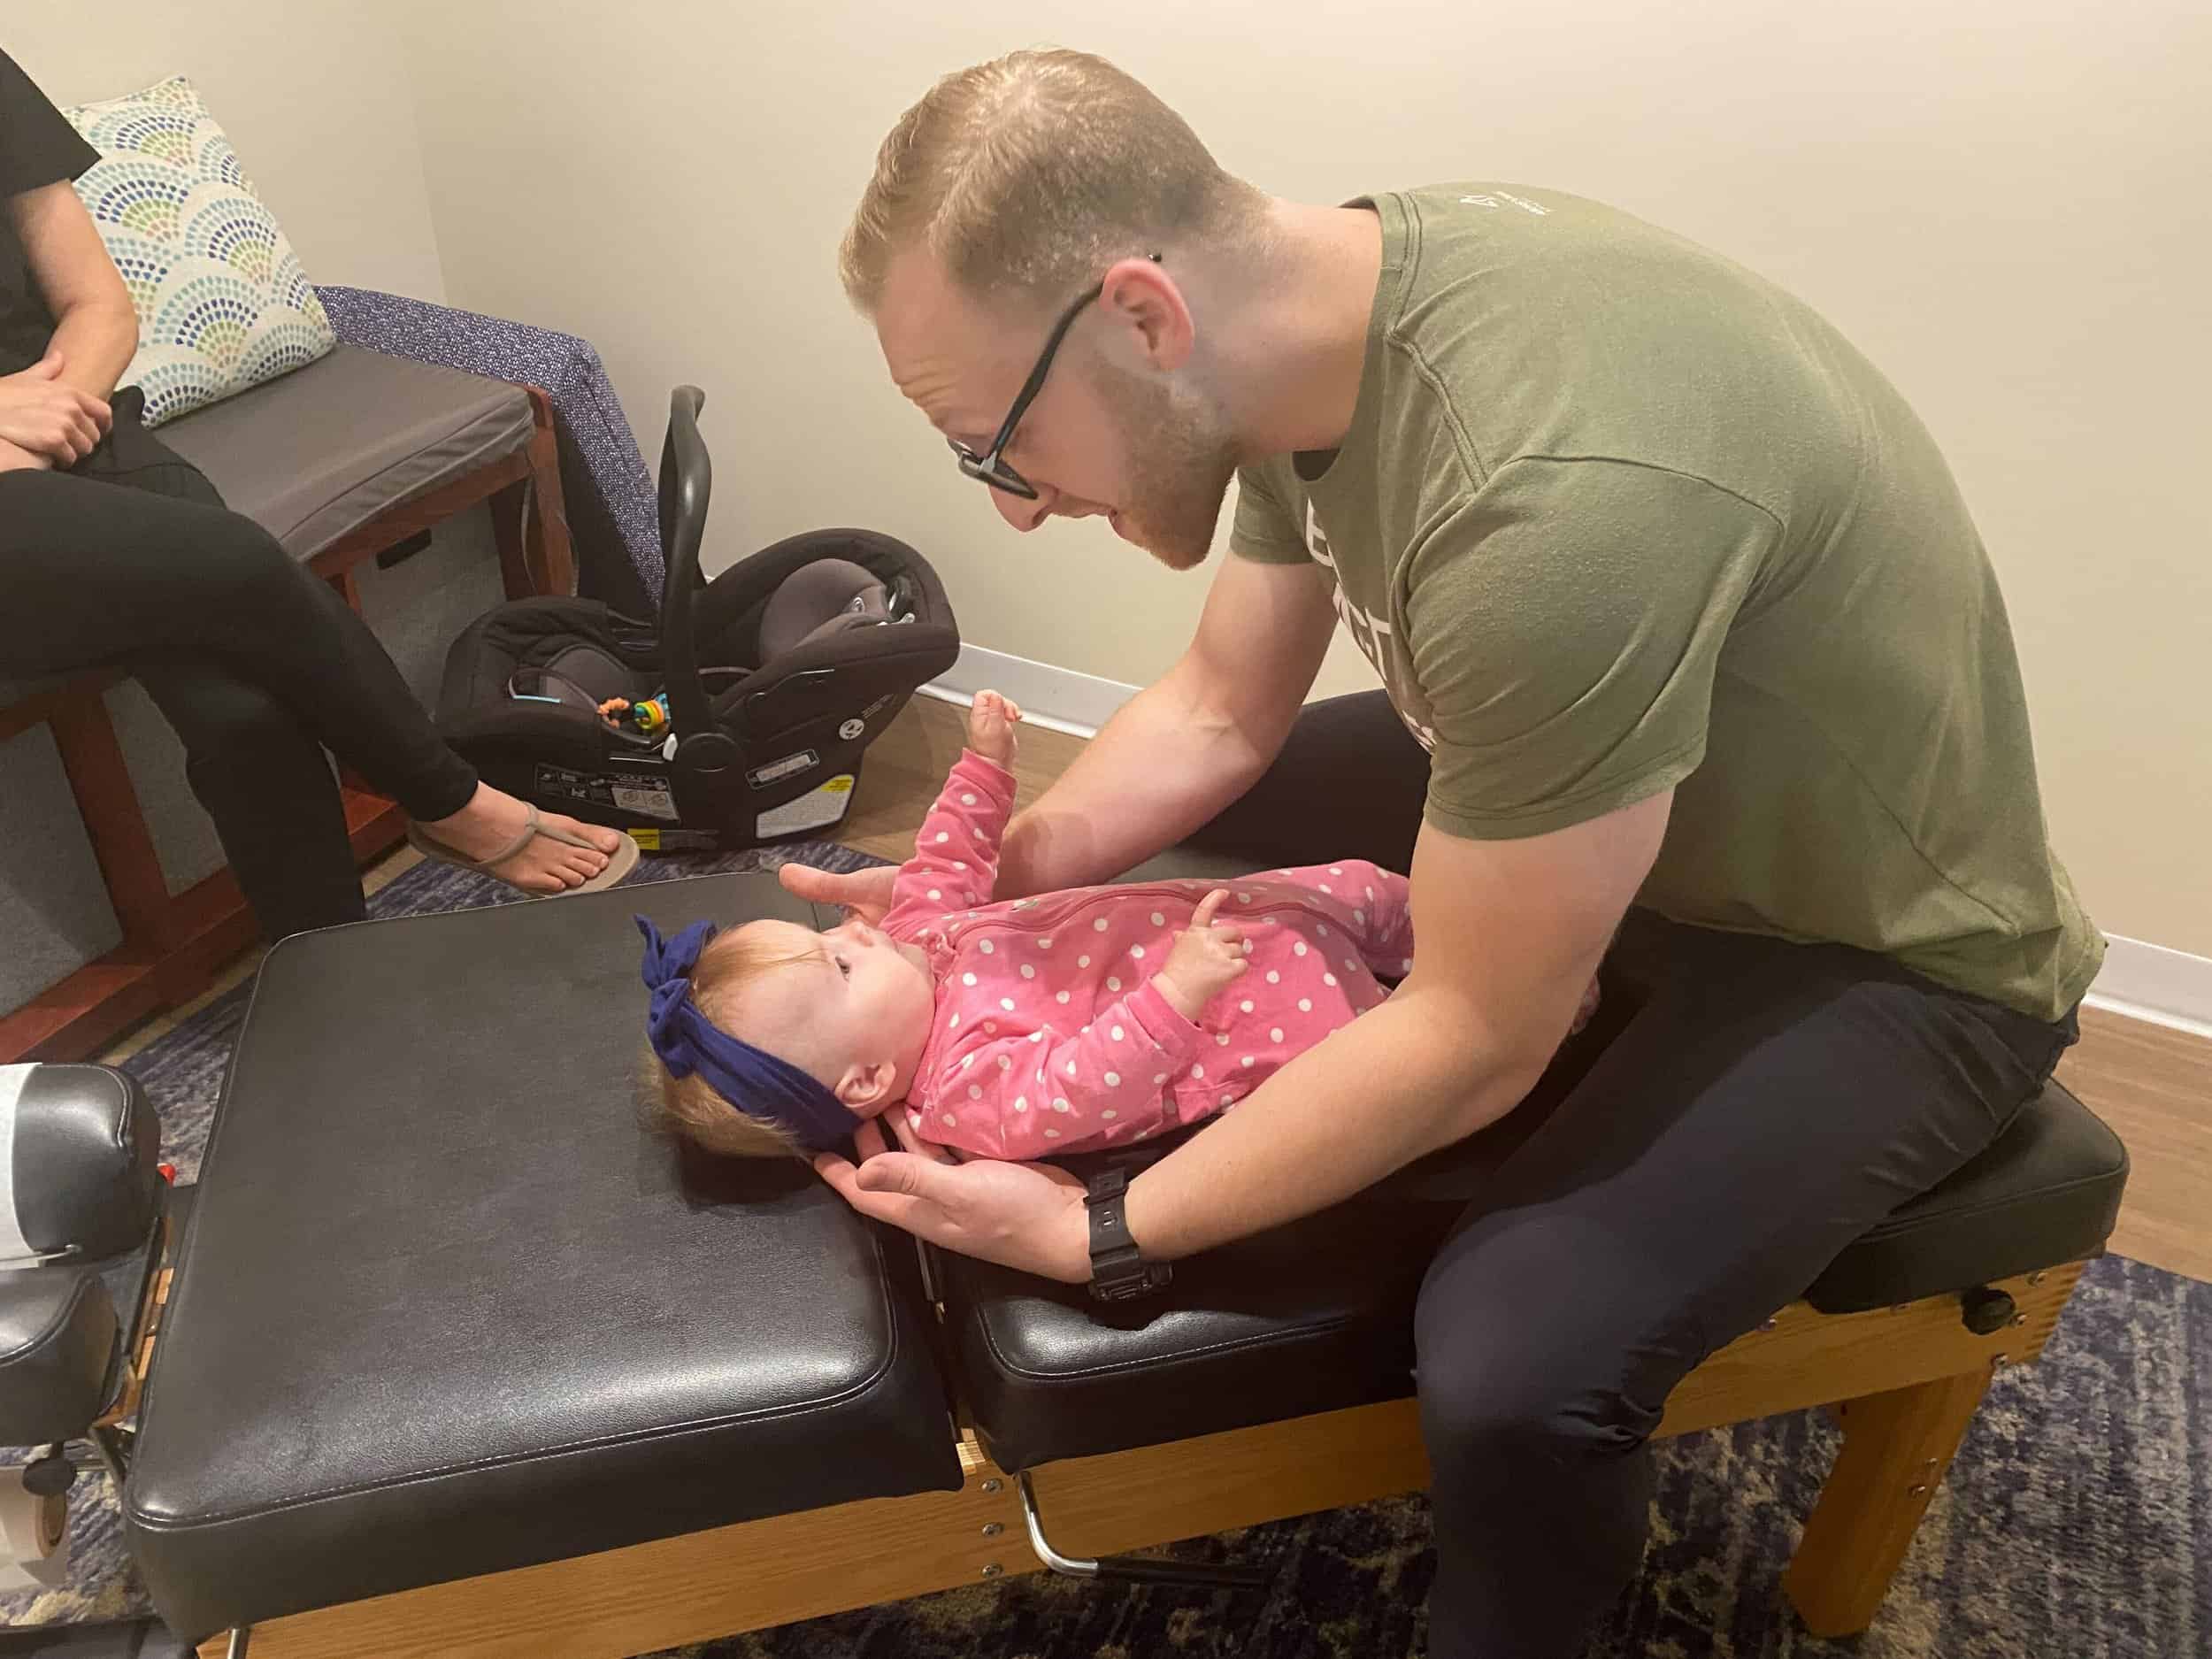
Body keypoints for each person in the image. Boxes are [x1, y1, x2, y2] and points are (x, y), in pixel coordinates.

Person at [780, 48, 2101, 1656]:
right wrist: (1007, 882)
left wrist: (1097, 1231)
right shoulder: (1303, 324)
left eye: (999, 444)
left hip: (1882, 955)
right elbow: (1217, 707)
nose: (1010, 508)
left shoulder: (1547, 518)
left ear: (1141, 318)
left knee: (1508, 1362)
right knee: (1206, 829)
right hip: (1650, 800)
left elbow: (1478, 1035)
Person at [0, 47, 634, 943]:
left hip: (78, 425)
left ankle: (331, 971)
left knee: (245, 711)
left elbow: (98, 305)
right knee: (235, 559)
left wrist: (49, 421)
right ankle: (449, 800)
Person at [641, 690, 1553, 1163]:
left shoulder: (915, 938)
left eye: (829, 937)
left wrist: (984, 769)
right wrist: (1175, 993)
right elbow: (1082, 1084)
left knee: (1364, 892)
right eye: (840, 967)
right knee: (1398, 1040)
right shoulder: (965, 1093)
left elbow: (944, 859)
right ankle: (1539, 1009)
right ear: (869, 1077)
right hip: (1248, 1016)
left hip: (1241, 914)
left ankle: (1486, 947)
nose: (856, 933)